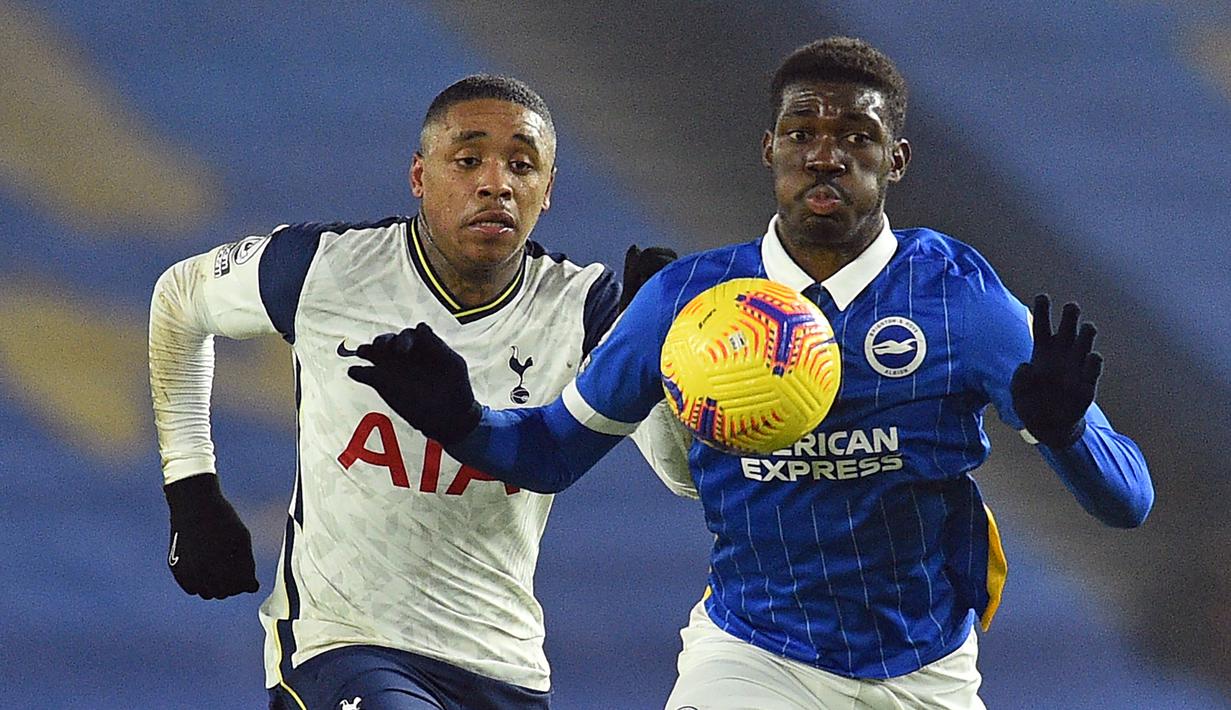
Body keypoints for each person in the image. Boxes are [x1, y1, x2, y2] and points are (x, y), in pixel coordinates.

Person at [346, 38, 1155, 710]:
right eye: (801, 133)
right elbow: (549, 454)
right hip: (753, 659)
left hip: (924, 670)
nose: (825, 154)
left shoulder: (956, 297)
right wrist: (459, 419)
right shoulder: (685, 301)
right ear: (769, 148)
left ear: (896, 159)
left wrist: (1066, 430)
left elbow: (1127, 502)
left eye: (856, 138)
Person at [149, 74, 674, 710]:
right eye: (469, 159)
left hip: (504, 664)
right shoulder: (320, 269)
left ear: (548, 191)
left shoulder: (585, 309)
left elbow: (679, 475)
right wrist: (191, 489)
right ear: (420, 177)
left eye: (521, 165)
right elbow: (179, 299)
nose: (496, 183)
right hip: (343, 646)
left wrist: (658, 354)